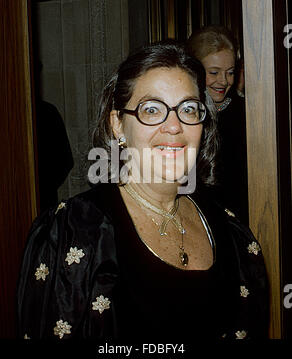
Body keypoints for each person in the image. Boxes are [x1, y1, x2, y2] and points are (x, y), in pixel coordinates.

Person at [17, 41, 268, 341]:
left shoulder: (230, 231)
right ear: (118, 125)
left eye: (188, 108)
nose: (174, 126)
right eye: (152, 109)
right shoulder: (72, 233)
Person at [186, 26, 249, 224]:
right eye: (213, 72)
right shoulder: (183, 114)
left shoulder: (247, 114)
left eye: (230, 72)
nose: (223, 81)